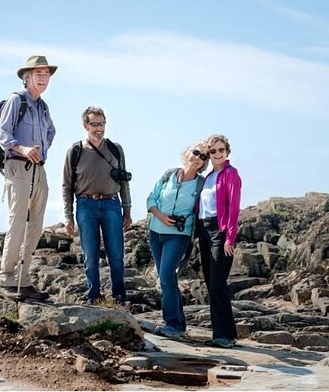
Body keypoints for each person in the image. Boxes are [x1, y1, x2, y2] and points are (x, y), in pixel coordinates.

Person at [0, 55, 57, 301]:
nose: (43, 79)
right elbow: (3, 133)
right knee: (17, 222)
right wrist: (23, 149)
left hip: (38, 169)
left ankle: (23, 279)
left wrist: (42, 149)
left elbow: (51, 130)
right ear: (27, 77)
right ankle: (5, 279)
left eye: (46, 75)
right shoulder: (15, 100)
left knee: (36, 225)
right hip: (18, 167)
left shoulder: (43, 106)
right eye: (38, 75)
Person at [62, 106, 132, 304]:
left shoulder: (115, 149)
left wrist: (127, 210)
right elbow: (66, 185)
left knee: (117, 255)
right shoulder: (74, 151)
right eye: (95, 124)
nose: (99, 128)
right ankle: (94, 296)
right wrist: (68, 216)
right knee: (90, 255)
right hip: (85, 205)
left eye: (102, 124)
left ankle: (119, 297)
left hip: (112, 205)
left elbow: (124, 181)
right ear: (86, 125)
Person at [147, 140, 209, 338]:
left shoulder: (201, 184)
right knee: (166, 278)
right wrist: (160, 216)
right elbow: (151, 199)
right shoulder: (168, 175)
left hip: (179, 235)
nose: (198, 158)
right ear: (188, 152)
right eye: (196, 152)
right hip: (156, 232)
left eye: (203, 157)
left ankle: (172, 324)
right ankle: (178, 324)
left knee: (166, 275)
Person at [196, 134, 242, 348]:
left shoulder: (231, 174)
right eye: (213, 151)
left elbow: (233, 209)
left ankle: (224, 335)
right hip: (204, 231)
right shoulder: (207, 177)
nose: (217, 154)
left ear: (227, 152)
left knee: (217, 283)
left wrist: (229, 239)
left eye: (221, 150)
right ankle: (223, 334)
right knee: (211, 283)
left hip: (220, 232)